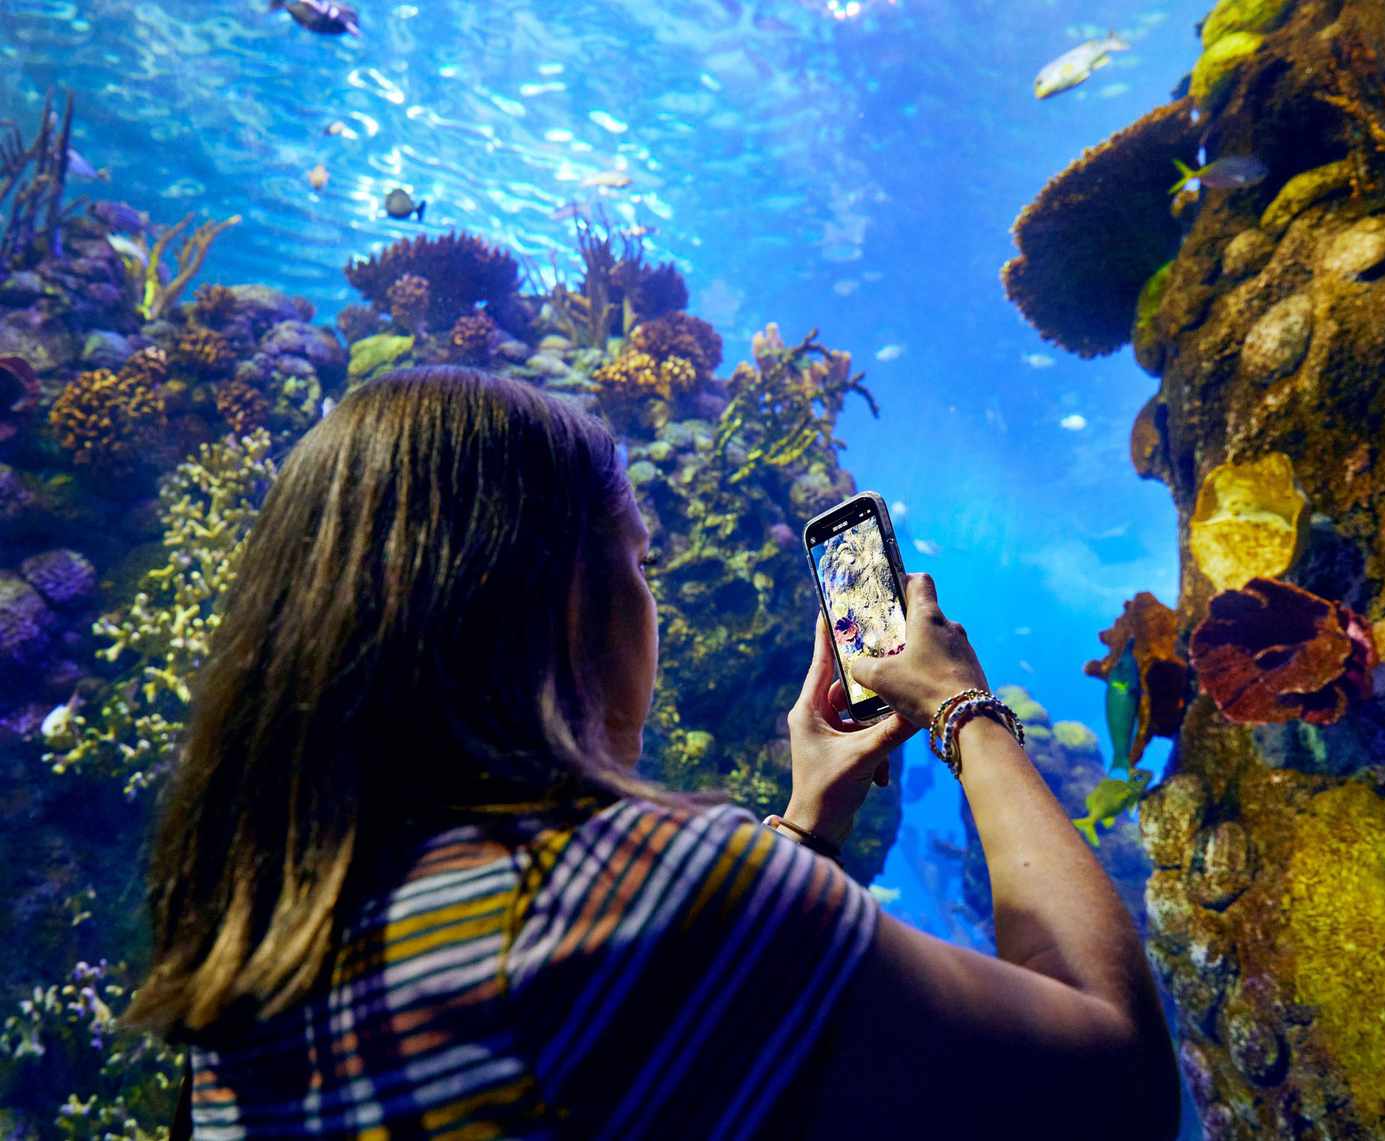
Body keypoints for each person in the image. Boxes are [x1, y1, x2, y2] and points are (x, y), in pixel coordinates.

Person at [123, 366, 1179, 1138]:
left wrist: (805, 822)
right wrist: (963, 710)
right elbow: (1115, 1087)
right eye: (638, 559)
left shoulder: (254, 971)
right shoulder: (617, 890)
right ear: (568, 599)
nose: (651, 600)